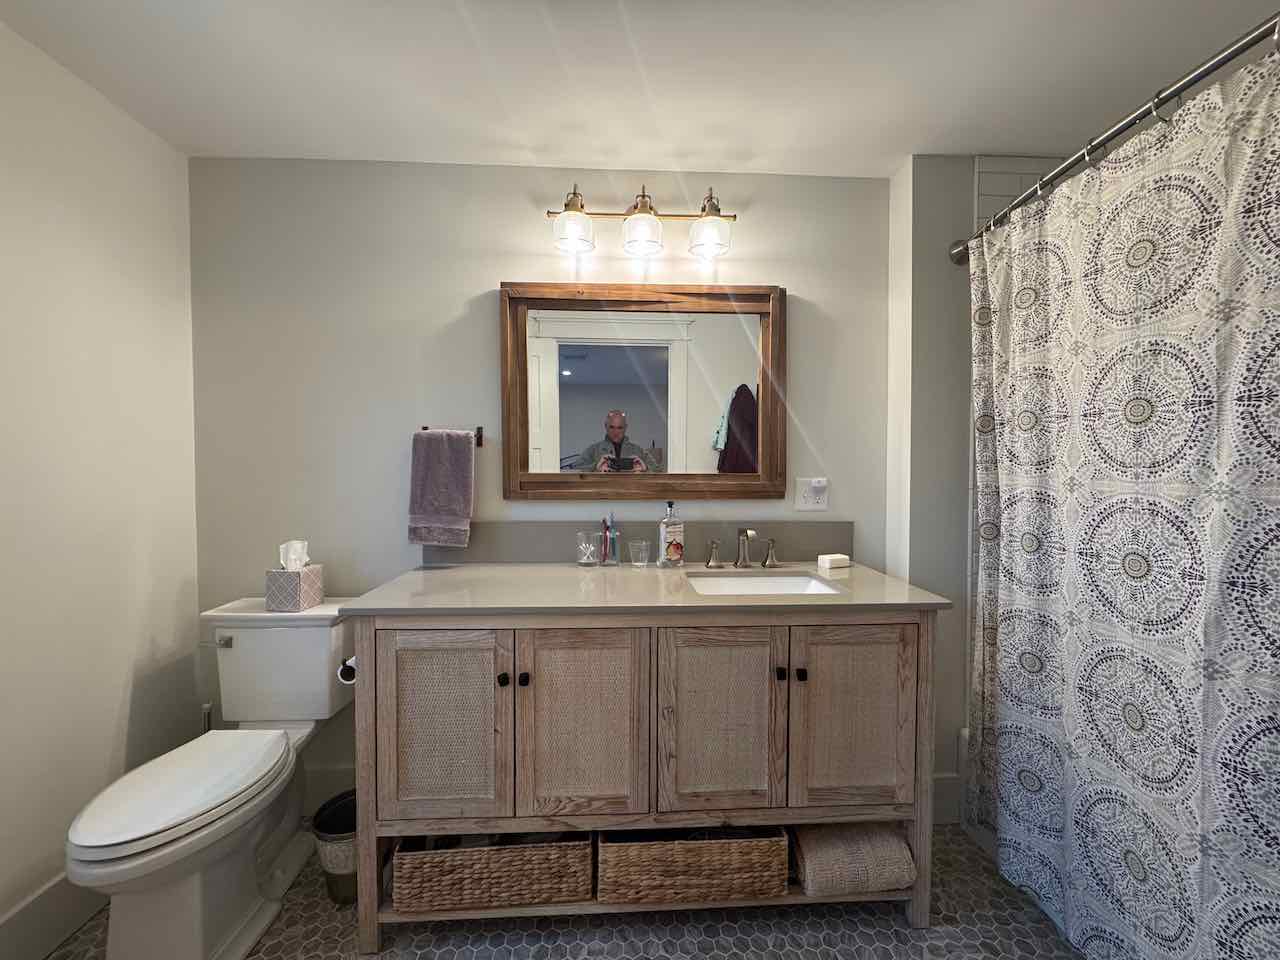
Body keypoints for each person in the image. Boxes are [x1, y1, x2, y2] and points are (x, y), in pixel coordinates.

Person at [573, 410, 653, 472]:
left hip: (630, 491)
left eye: (620, 428)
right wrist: (596, 467)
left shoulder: (637, 450)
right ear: (605, 426)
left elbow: (658, 469)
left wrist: (645, 468)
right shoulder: (594, 449)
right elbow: (575, 468)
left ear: (625, 427)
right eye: (612, 427)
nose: (616, 432)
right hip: (603, 491)